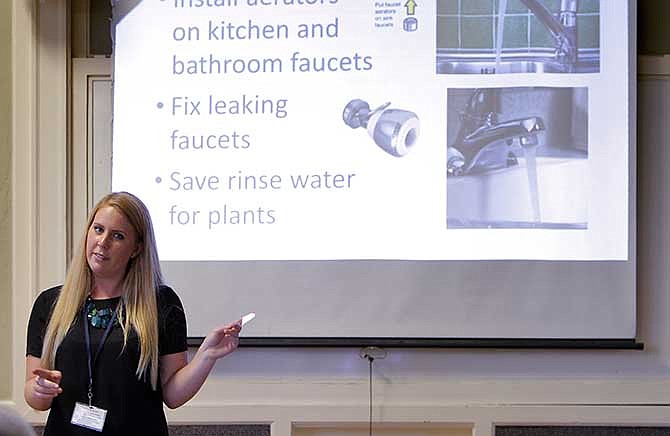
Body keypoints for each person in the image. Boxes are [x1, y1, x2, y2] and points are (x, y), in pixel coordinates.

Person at [25, 192, 242, 435]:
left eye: (117, 236)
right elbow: (36, 398)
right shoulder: (50, 303)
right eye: (98, 229)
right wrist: (38, 389)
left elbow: (172, 395)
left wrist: (207, 356)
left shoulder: (161, 304)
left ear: (137, 248)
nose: (102, 242)